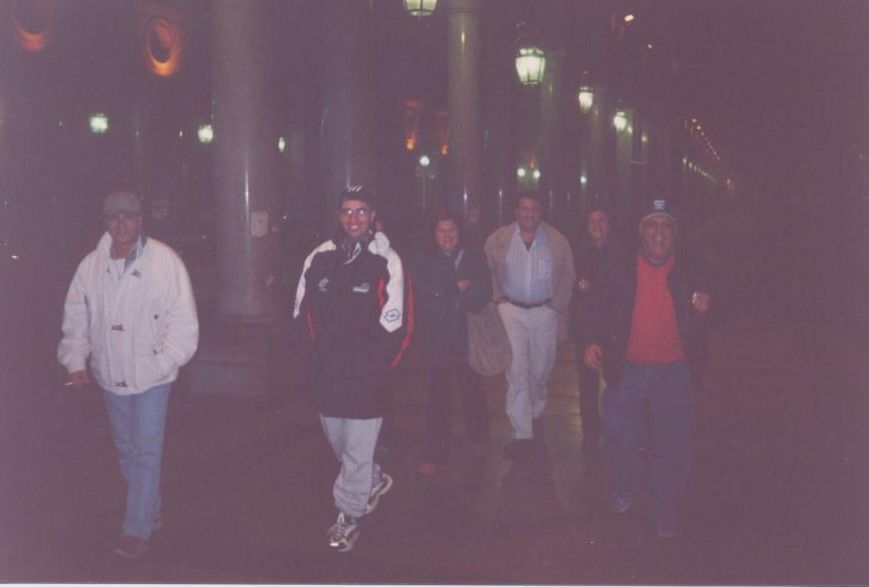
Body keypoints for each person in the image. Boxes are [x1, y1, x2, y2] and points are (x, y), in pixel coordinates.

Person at [58, 191, 199, 559]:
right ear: (106, 222)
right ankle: (150, 512)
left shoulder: (165, 262)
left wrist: (163, 361)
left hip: (153, 378)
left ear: (140, 220)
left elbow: (183, 321)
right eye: (114, 217)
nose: (121, 223)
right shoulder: (91, 266)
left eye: (128, 216)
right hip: (111, 375)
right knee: (127, 450)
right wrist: (76, 360)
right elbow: (77, 315)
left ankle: (135, 531)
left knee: (147, 453)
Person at [581, 198, 710, 539]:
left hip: (674, 373)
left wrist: (706, 308)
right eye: (652, 225)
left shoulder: (691, 269)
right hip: (628, 370)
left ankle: (664, 509)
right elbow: (595, 306)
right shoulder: (619, 267)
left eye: (666, 226)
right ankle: (625, 485)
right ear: (641, 231)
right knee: (619, 436)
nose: (658, 233)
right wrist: (592, 340)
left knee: (673, 447)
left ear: (674, 233)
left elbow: (720, 309)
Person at [293, 186, 411, 553]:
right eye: (347, 211)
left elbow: (398, 323)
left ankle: (348, 517)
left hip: (366, 377)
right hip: (327, 374)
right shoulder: (319, 257)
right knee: (341, 445)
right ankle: (372, 479)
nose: (353, 218)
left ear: (372, 216)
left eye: (361, 211)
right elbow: (301, 312)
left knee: (357, 451)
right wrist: (310, 361)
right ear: (338, 216)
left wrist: (379, 369)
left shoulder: (386, 260)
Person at [484, 192, 575, 461]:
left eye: (534, 209)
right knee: (517, 373)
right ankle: (522, 434)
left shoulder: (557, 240)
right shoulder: (498, 239)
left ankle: (536, 413)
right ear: (516, 211)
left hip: (545, 312)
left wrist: (556, 304)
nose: (529, 214)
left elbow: (568, 273)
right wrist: (497, 299)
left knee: (540, 371)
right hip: (511, 311)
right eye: (524, 208)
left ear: (540, 212)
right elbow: (486, 270)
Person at [413, 209, 491, 476]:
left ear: (460, 232)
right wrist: (455, 289)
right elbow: (422, 294)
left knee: (472, 390)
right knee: (437, 396)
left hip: (468, 335)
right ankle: (436, 454)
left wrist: (451, 298)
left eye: (452, 230)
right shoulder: (425, 259)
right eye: (441, 231)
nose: (447, 236)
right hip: (436, 338)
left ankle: (479, 439)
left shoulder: (474, 256)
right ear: (433, 234)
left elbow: (483, 292)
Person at [570, 206, 618, 454]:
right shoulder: (578, 254)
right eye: (592, 221)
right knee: (587, 386)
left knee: (616, 382)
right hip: (587, 327)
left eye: (602, 220)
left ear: (609, 224)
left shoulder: (620, 253)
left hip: (613, 329)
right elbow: (576, 295)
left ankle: (615, 432)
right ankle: (590, 435)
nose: (597, 225)